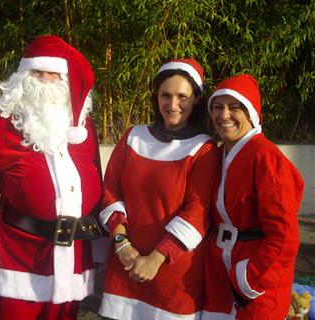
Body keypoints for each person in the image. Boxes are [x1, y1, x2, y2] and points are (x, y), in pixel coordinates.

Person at [0, 35, 103, 320]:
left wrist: (100, 242)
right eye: (38, 72)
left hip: (73, 256)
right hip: (18, 258)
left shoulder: (84, 129)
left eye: (54, 73)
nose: (46, 80)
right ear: (23, 76)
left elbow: (96, 181)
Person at [98, 59, 220, 319]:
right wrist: (121, 244)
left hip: (173, 276)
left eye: (182, 96)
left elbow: (197, 213)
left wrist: (155, 259)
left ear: (197, 98)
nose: (173, 105)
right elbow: (110, 191)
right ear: (156, 96)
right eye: (166, 95)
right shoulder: (133, 136)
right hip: (125, 265)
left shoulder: (204, 148)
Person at [202, 74, 304, 319]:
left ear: (251, 113)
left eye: (234, 107)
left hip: (258, 279)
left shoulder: (267, 159)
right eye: (217, 107)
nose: (224, 115)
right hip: (220, 273)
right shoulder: (217, 155)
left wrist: (249, 277)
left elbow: (284, 237)